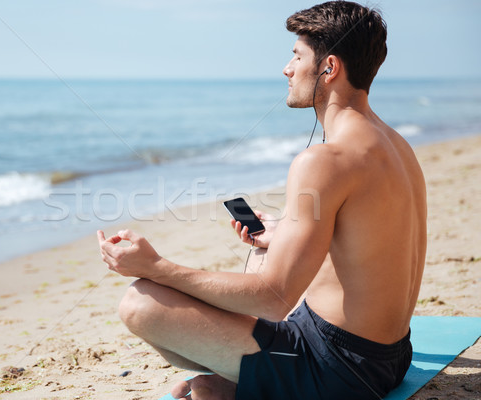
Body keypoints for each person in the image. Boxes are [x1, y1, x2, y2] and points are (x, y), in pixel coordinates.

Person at [97, 1, 427, 399]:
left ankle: (238, 383)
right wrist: (284, 233)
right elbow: (372, 243)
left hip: (340, 370)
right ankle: (236, 377)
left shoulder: (323, 160)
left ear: (330, 67)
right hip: (391, 356)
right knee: (265, 249)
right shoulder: (396, 144)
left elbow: (274, 299)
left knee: (140, 303)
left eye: (297, 56)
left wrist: (156, 267)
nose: (287, 69)